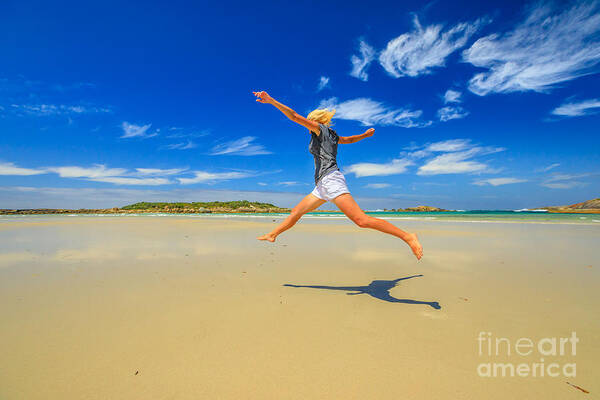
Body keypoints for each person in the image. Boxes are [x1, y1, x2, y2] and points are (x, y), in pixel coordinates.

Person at [252, 90, 423, 260]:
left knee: (361, 220)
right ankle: (273, 235)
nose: (308, 123)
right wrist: (364, 135)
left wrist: (272, 101)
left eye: (310, 120)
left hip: (331, 179)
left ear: (315, 120)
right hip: (321, 185)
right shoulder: (332, 135)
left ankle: (408, 236)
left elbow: (295, 116)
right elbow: (348, 140)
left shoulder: (320, 129)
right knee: (296, 211)